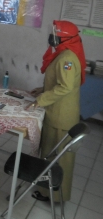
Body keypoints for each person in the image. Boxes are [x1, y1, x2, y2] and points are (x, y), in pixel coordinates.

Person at [27, 20, 86, 202]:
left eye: (55, 33)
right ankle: (49, 192)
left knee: (58, 159)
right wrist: (42, 90)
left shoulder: (67, 58)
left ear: (64, 38)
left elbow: (65, 87)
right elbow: (58, 82)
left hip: (61, 118)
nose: (51, 36)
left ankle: (55, 196)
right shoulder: (64, 53)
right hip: (58, 113)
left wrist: (41, 100)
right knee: (51, 154)